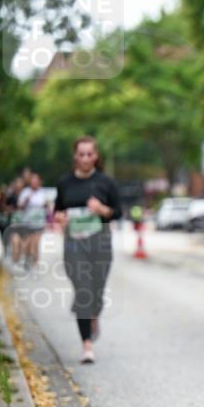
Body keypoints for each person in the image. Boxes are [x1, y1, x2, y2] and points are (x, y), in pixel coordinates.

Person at [53, 136, 122, 364]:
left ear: (96, 156)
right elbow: (57, 211)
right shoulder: (65, 183)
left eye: (89, 154)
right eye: (80, 154)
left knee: (97, 292)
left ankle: (94, 315)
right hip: (74, 244)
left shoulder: (105, 183)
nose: (85, 158)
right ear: (75, 156)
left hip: (100, 242)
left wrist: (101, 209)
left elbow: (118, 212)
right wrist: (60, 218)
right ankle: (87, 345)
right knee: (83, 291)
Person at [17, 173, 49, 271]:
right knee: (28, 243)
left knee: (36, 242)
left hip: (39, 222)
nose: (34, 183)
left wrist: (46, 206)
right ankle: (27, 259)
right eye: (32, 181)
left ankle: (36, 263)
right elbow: (20, 206)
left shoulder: (42, 192)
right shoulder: (26, 192)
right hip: (27, 222)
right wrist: (26, 200)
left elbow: (47, 207)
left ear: (39, 182)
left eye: (36, 181)